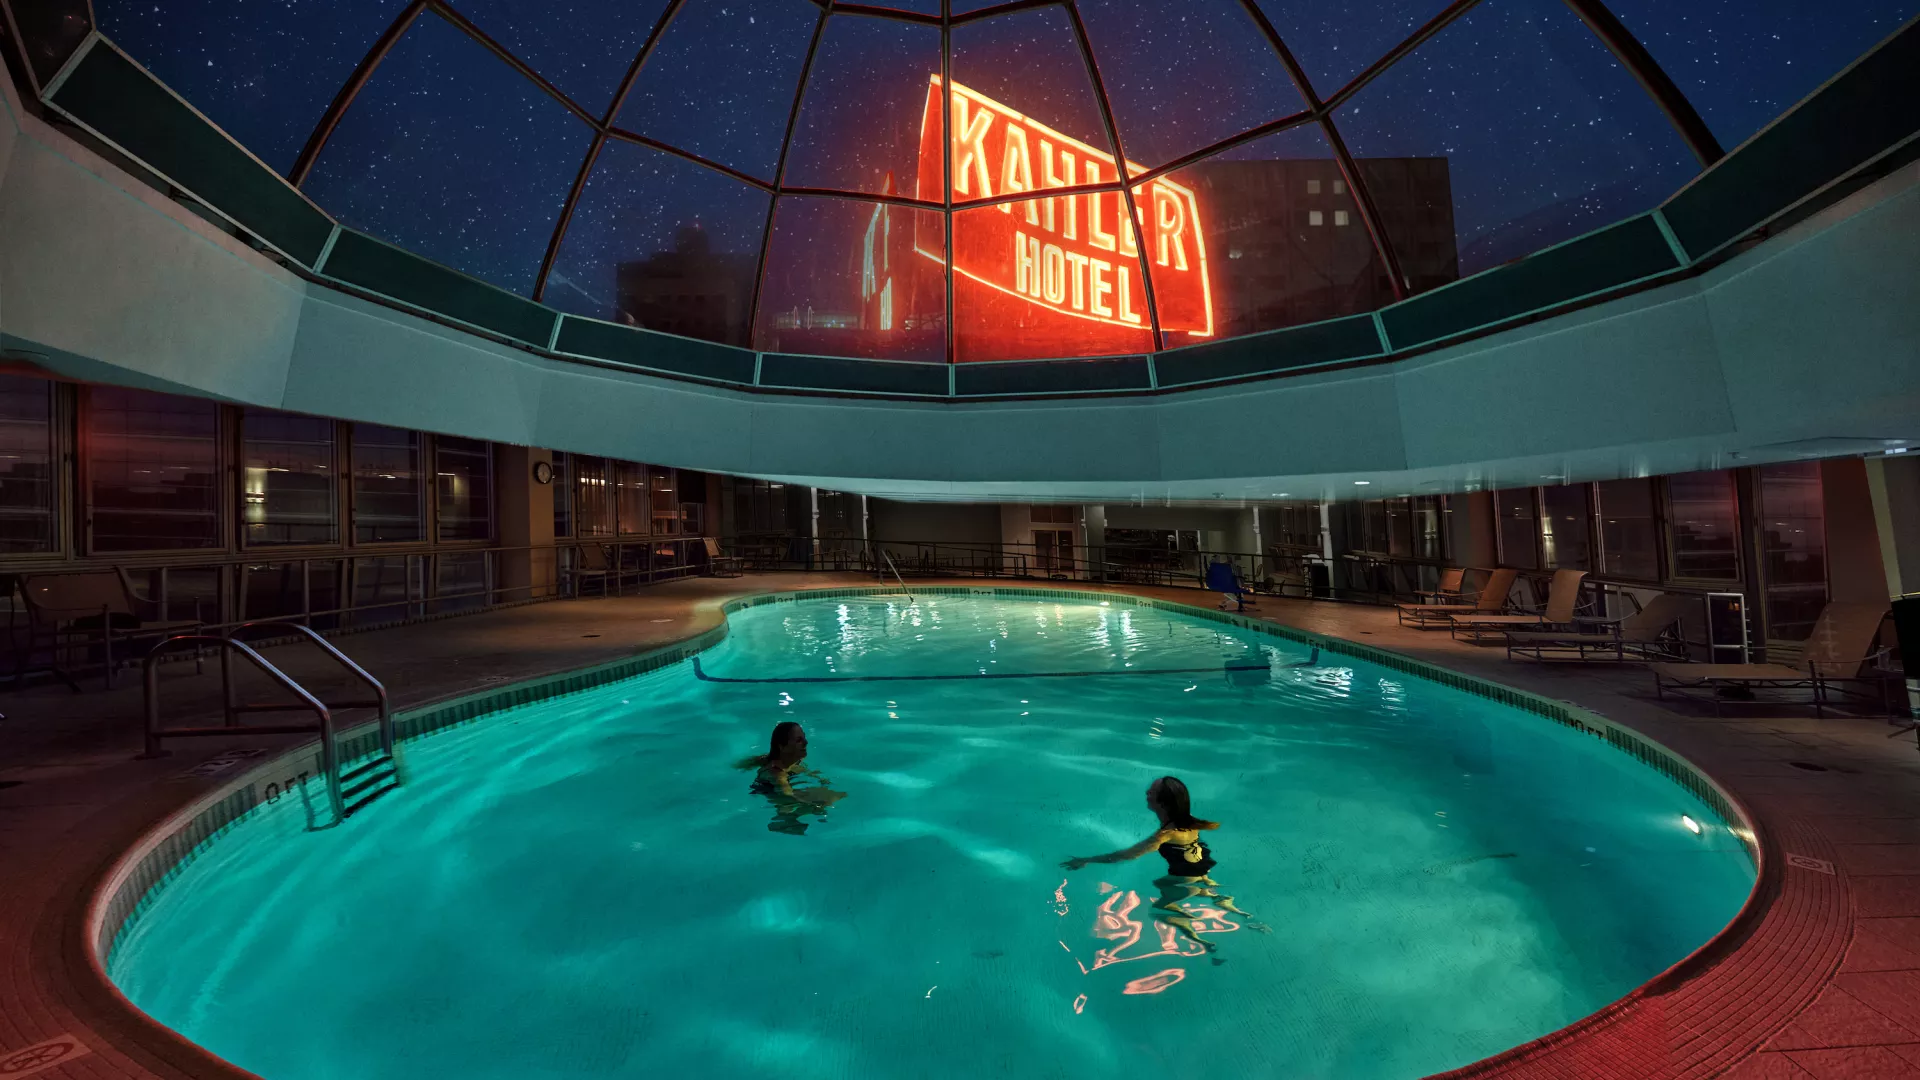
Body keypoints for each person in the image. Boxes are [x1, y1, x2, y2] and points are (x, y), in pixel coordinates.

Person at [1062, 776, 1268, 955]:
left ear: (1163, 803)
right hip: (1201, 870)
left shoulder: (1165, 835)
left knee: (1160, 909)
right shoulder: (1190, 822)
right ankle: (1246, 917)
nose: (1146, 793)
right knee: (1212, 895)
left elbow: (1126, 855)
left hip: (1184, 880)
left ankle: (1204, 942)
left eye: (1151, 792)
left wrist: (1086, 859)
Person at [737, 721, 845, 834]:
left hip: (779, 785)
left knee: (829, 795)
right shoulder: (778, 774)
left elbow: (745, 764)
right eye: (799, 740)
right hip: (770, 790)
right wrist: (815, 806)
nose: (806, 742)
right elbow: (786, 795)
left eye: (804, 738)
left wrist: (816, 777)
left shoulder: (781, 759)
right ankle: (783, 820)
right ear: (782, 747)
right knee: (824, 800)